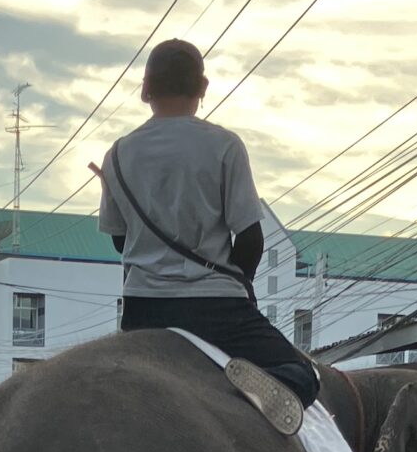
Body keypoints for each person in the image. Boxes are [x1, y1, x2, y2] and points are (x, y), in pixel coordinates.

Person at [97, 37, 319, 405]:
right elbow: (250, 239)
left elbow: (120, 241)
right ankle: (237, 406)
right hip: (216, 309)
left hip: (142, 311)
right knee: (302, 374)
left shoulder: (117, 154)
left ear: (145, 90)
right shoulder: (225, 146)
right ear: (202, 88)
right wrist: (235, 281)